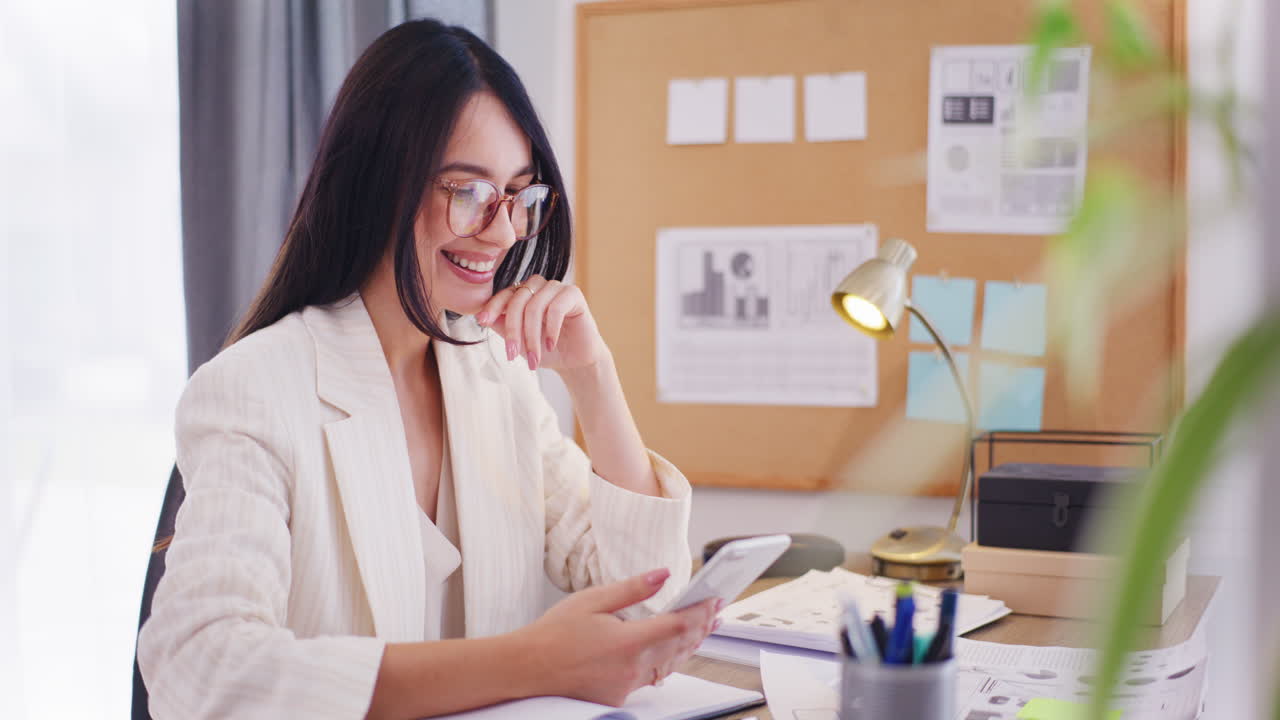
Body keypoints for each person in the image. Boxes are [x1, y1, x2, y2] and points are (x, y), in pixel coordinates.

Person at [137, 19, 717, 720]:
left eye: (519, 197)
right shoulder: (253, 390)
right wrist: (528, 661)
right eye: (468, 192)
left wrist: (593, 376)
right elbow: (200, 667)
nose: (503, 231)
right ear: (379, 185)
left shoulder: (494, 372)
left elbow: (644, 598)